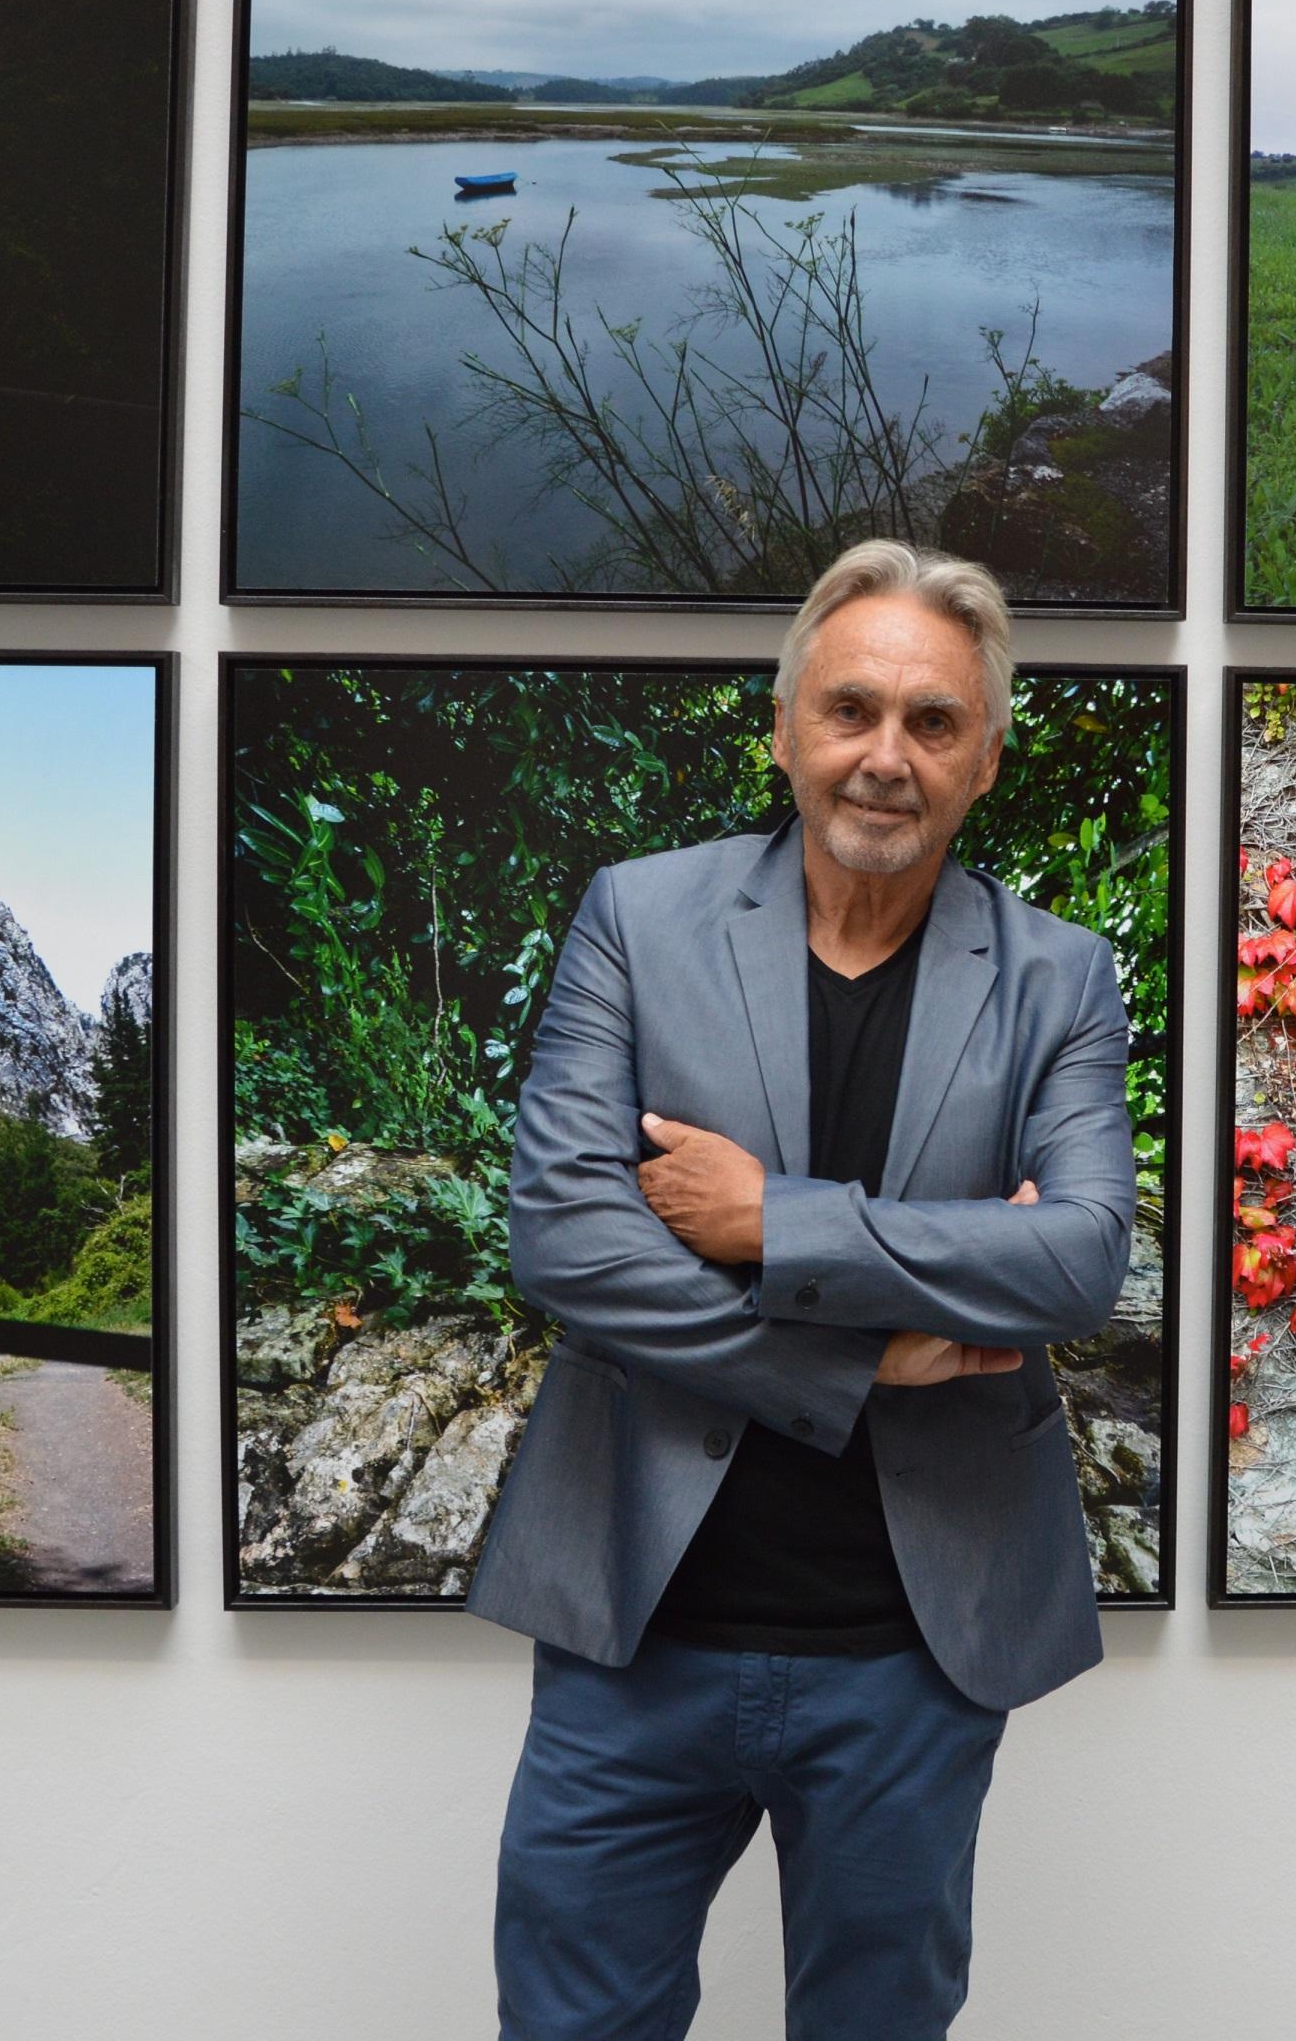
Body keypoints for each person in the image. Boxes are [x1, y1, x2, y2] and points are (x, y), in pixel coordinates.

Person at [472, 537, 1139, 2040]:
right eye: (850, 711)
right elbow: (568, 1244)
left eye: (932, 723)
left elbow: (1082, 1257)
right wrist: (853, 1363)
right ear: (783, 729)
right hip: (633, 1637)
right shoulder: (639, 922)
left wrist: (770, 1219)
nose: (884, 757)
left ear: (983, 760)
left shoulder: (1057, 978)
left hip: (914, 1655)